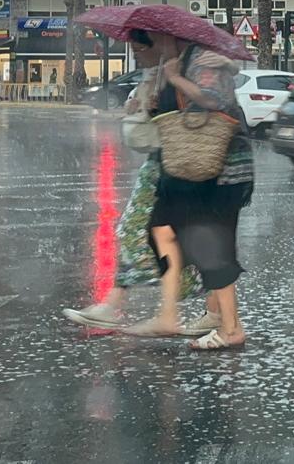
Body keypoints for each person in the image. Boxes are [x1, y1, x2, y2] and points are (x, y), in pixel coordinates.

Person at [62, 30, 220, 337]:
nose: (135, 55)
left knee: (152, 233)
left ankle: (131, 308)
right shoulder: (160, 72)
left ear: (158, 43)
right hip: (164, 163)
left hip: (178, 164)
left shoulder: (184, 69)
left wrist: (160, 100)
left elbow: (198, 110)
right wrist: (141, 104)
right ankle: (212, 311)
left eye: (138, 49)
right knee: (169, 237)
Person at [122, 30, 253, 350]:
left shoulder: (202, 59)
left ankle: (231, 328)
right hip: (191, 167)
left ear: (169, 37)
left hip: (220, 169)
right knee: (163, 227)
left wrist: (176, 79)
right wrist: (151, 105)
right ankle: (201, 313)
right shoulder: (177, 61)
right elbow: (181, 112)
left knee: (208, 242)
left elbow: (212, 99)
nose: (150, 47)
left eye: (153, 39)